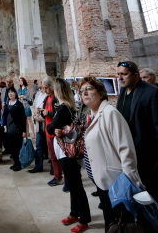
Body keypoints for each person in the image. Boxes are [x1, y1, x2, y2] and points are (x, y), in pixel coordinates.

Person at [81, 76, 143, 230]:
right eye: (82, 90)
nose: (84, 93)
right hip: (102, 181)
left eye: (89, 88)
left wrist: (129, 183)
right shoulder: (93, 114)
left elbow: (126, 149)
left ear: (101, 93)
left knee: (121, 225)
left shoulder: (110, 113)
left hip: (116, 182)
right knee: (111, 224)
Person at [116, 61, 158, 206]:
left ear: (136, 75)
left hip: (147, 153)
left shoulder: (153, 92)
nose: (120, 78)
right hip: (128, 152)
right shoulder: (123, 91)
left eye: (124, 74)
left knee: (153, 194)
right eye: (118, 74)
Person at [49, 78, 90, 233]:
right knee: (72, 183)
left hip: (67, 151)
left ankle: (84, 219)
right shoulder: (67, 106)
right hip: (64, 150)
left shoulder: (64, 108)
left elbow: (51, 127)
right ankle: (74, 212)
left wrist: (51, 127)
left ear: (58, 91)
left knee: (76, 185)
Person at [40, 76, 62, 186]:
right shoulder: (46, 98)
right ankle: (57, 176)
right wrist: (41, 112)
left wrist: (48, 113)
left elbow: (59, 116)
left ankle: (66, 179)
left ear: (51, 86)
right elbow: (45, 113)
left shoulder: (56, 98)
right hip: (48, 130)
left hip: (56, 132)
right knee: (53, 156)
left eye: (46, 88)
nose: (44, 90)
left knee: (61, 157)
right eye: (43, 88)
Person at [6, 87, 27, 171]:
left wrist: (24, 130)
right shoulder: (8, 103)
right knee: (11, 147)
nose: (10, 94)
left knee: (17, 147)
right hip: (9, 128)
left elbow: (23, 118)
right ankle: (15, 162)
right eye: (9, 92)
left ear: (15, 93)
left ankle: (19, 163)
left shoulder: (19, 104)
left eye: (12, 92)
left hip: (17, 129)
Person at [28, 81, 47, 173]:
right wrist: (34, 114)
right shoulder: (38, 94)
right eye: (41, 87)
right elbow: (34, 105)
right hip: (39, 123)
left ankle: (55, 169)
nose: (42, 89)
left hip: (46, 123)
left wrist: (42, 118)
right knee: (38, 145)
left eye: (44, 87)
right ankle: (38, 166)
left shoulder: (50, 95)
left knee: (48, 146)